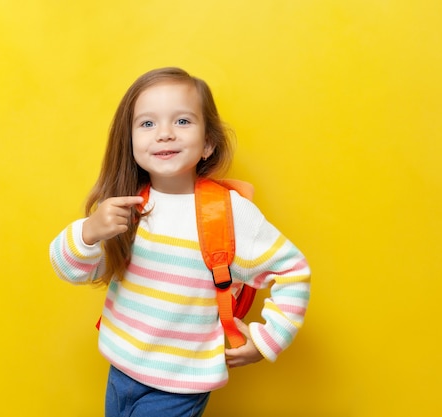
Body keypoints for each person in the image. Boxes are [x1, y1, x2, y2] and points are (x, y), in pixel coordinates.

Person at [49, 67, 311, 417]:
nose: (165, 134)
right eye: (147, 124)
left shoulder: (230, 213)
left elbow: (293, 271)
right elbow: (70, 270)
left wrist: (267, 341)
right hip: (120, 369)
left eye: (183, 121)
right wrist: (89, 232)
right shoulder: (125, 206)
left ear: (208, 144)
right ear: (129, 142)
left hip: (181, 384)